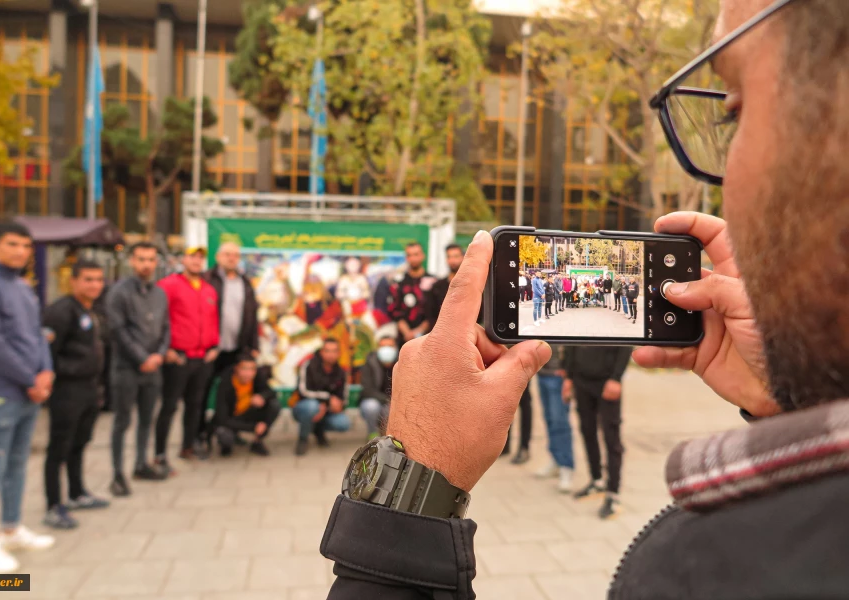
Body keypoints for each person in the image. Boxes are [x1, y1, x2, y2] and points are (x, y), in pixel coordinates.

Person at [321, 2, 849, 596]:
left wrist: (407, 497)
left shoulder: (706, 572)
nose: (719, 177)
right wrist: (793, 402)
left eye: (732, 109)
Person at [0, 223, 55, 573]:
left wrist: (46, 371)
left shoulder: (22, 287)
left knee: (17, 464)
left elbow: (36, 334)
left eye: (25, 245)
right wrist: (30, 378)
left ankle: (12, 528)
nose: (20, 251)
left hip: (29, 392)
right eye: (12, 244)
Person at [41, 259, 110, 530]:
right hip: (67, 390)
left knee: (80, 442)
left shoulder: (95, 310)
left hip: (90, 388)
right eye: (88, 279)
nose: (94, 285)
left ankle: (77, 492)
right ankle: (53, 505)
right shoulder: (60, 311)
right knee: (59, 447)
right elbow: (47, 353)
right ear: (74, 281)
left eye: (98, 279)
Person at [106, 242, 170, 497]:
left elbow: (166, 327)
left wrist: (160, 355)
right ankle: (117, 474)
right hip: (127, 368)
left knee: (146, 419)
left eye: (151, 260)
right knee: (122, 421)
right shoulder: (118, 293)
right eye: (142, 259)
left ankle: (141, 463)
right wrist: (142, 357)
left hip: (153, 368)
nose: (146, 265)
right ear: (132, 261)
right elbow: (118, 330)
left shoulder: (159, 294)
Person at [156, 247, 220, 467]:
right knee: (169, 406)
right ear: (183, 259)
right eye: (192, 256)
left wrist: (215, 346)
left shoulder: (209, 289)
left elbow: (213, 320)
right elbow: (158, 319)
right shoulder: (169, 285)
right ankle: (160, 453)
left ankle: (187, 446)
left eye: (201, 257)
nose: (196, 261)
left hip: (203, 358)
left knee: (195, 405)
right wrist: (165, 350)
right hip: (178, 357)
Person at [562, 346, 631, 517]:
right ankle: (596, 480)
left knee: (611, 437)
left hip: (606, 381)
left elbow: (626, 345)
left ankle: (613, 494)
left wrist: (616, 378)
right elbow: (572, 341)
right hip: (581, 379)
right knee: (587, 431)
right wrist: (569, 376)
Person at [204, 241, 260, 372]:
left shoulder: (245, 283)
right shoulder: (207, 280)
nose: (231, 258)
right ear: (218, 257)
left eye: (235, 255)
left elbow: (252, 316)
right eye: (227, 254)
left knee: (230, 389)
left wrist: (254, 346)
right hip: (210, 349)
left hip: (237, 348)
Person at [211, 354, 279, 457]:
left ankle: (257, 441)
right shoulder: (225, 383)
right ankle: (227, 444)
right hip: (230, 417)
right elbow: (222, 418)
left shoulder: (257, 376)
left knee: (274, 405)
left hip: (248, 413)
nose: (249, 373)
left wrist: (262, 396)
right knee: (225, 435)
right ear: (236, 368)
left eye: (252, 369)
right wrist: (253, 427)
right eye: (244, 369)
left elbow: (271, 392)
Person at [292, 338, 350, 456]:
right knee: (312, 407)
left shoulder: (341, 372)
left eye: (334, 351)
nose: (331, 354)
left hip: (326, 411)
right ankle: (303, 438)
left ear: (339, 353)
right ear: (321, 352)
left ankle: (318, 431)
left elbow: (343, 398)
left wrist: (334, 406)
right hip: (303, 407)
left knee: (343, 423)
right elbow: (303, 391)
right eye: (327, 351)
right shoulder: (308, 366)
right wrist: (327, 400)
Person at [534, 346, 574, 492]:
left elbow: (573, 344)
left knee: (560, 422)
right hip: (543, 373)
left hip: (559, 375)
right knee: (550, 419)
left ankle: (566, 466)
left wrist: (569, 373)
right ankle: (556, 459)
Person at [387, 242, 436, 346]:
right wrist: (407, 333)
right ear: (406, 258)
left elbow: (436, 311)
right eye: (410, 255)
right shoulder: (398, 282)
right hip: (403, 339)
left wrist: (419, 331)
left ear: (423, 256)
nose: (413, 258)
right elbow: (394, 310)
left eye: (416, 254)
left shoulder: (433, 282)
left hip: (428, 339)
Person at [359, 336, 397, 440]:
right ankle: (372, 434)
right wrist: (388, 399)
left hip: (393, 403)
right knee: (371, 406)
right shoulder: (370, 363)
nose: (387, 349)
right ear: (377, 348)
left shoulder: (402, 363)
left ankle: (388, 436)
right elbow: (366, 390)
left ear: (396, 347)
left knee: (391, 410)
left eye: (390, 346)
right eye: (383, 346)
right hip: (375, 401)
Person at [432, 244, 465, 325]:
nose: (452, 260)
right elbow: (432, 314)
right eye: (449, 257)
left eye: (456, 256)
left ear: (463, 257)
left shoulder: (471, 285)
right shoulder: (437, 286)